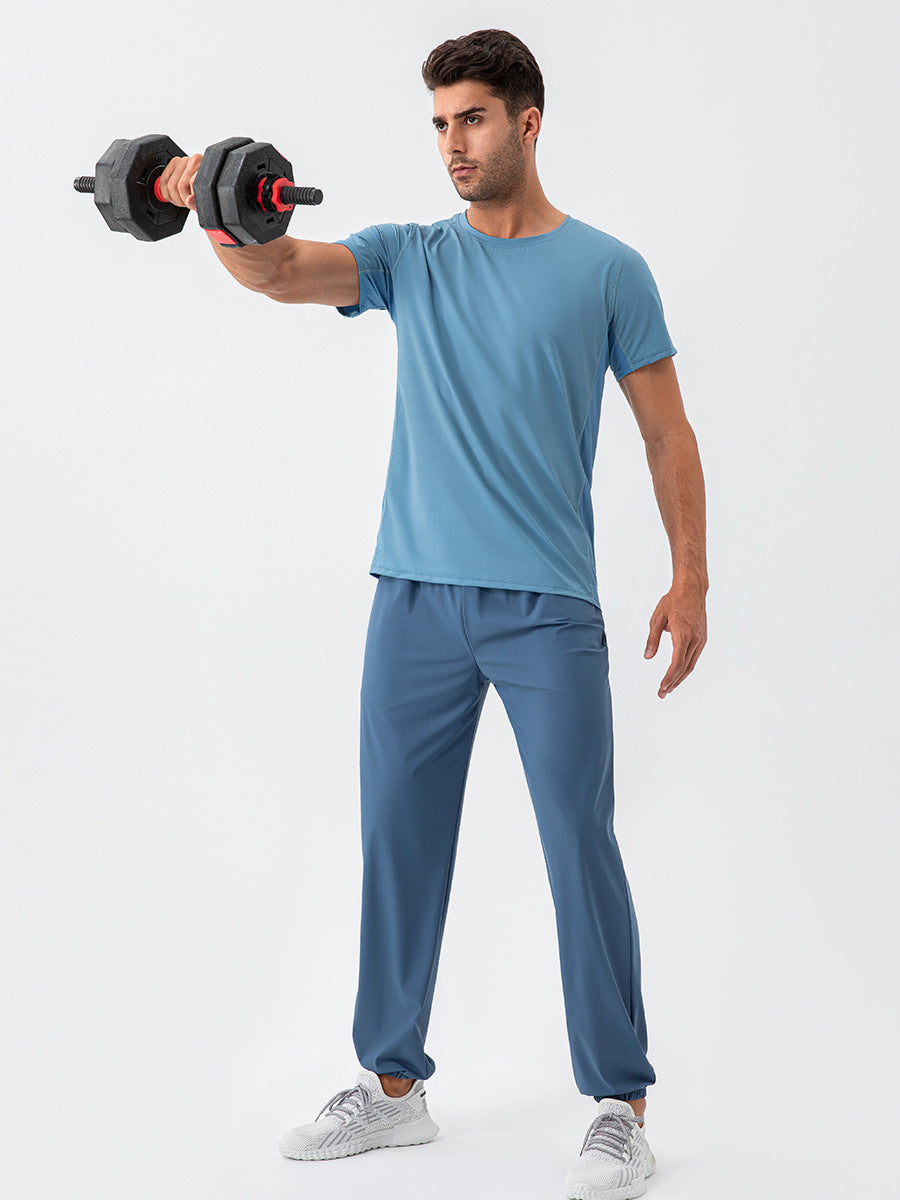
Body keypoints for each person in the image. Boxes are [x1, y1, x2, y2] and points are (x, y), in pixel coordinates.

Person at [158, 27, 708, 1200]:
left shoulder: (609, 270)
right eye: (440, 125)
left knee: (579, 842)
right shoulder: (411, 255)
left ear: (527, 122)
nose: (453, 144)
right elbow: (277, 271)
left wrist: (691, 577)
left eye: (472, 120)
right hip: (412, 599)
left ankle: (619, 1103)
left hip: (547, 608)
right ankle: (394, 1089)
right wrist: (208, 204)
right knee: (398, 841)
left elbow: (666, 432)